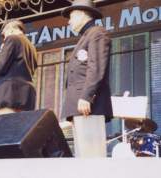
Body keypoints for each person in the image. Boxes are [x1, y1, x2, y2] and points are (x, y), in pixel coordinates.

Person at [61, 0, 113, 157]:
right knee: (84, 154)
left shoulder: (97, 33)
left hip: (89, 105)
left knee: (92, 155)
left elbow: (95, 66)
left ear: (82, 14)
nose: (69, 22)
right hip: (82, 106)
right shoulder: (87, 36)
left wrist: (86, 96)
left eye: (71, 17)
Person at [0, 19, 37, 115]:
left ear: (10, 29)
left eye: (4, 34)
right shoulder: (32, 47)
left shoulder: (12, 38)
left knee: (4, 127)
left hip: (9, 93)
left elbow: (0, 67)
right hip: (27, 95)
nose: (4, 38)